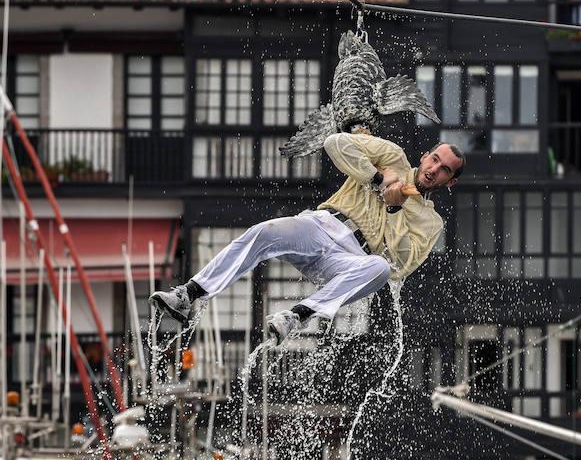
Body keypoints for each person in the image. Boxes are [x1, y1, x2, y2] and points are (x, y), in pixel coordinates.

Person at [150, 135, 464, 345]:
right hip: (320, 225)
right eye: (434, 159)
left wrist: (395, 208)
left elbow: (402, 264)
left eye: (444, 169)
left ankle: (297, 317)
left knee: (380, 269)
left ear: (450, 182)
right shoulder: (391, 156)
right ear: (424, 156)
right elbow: (336, 143)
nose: (434, 169)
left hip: (348, 259)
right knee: (264, 232)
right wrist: (378, 178)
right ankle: (188, 294)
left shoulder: (430, 221)